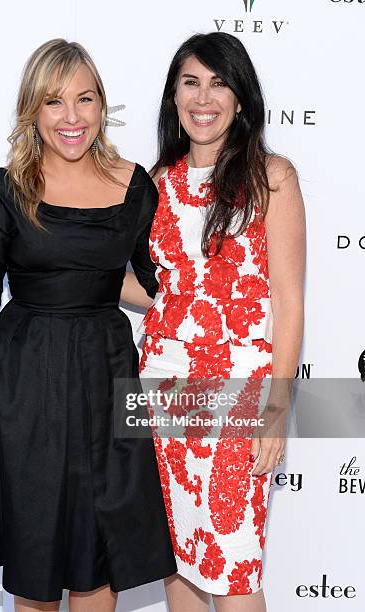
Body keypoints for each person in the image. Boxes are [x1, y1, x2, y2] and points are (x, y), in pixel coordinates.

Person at [0, 38, 176, 611]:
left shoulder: (135, 186)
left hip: (105, 373)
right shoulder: (4, 190)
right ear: (33, 110)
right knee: (37, 547)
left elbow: (151, 285)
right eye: (54, 102)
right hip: (26, 381)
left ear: (102, 106)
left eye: (85, 99)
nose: (71, 118)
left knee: (99, 546)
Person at [138, 33, 306, 612]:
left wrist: (277, 412)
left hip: (239, 396)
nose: (203, 97)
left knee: (233, 568)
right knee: (178, 563)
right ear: (174, 97)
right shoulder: (157, 184)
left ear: (240, 99)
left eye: (218, 82)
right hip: (161, 392)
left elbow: (287, 300)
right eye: (191, 82)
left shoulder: (272, 178)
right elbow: (164, 287)